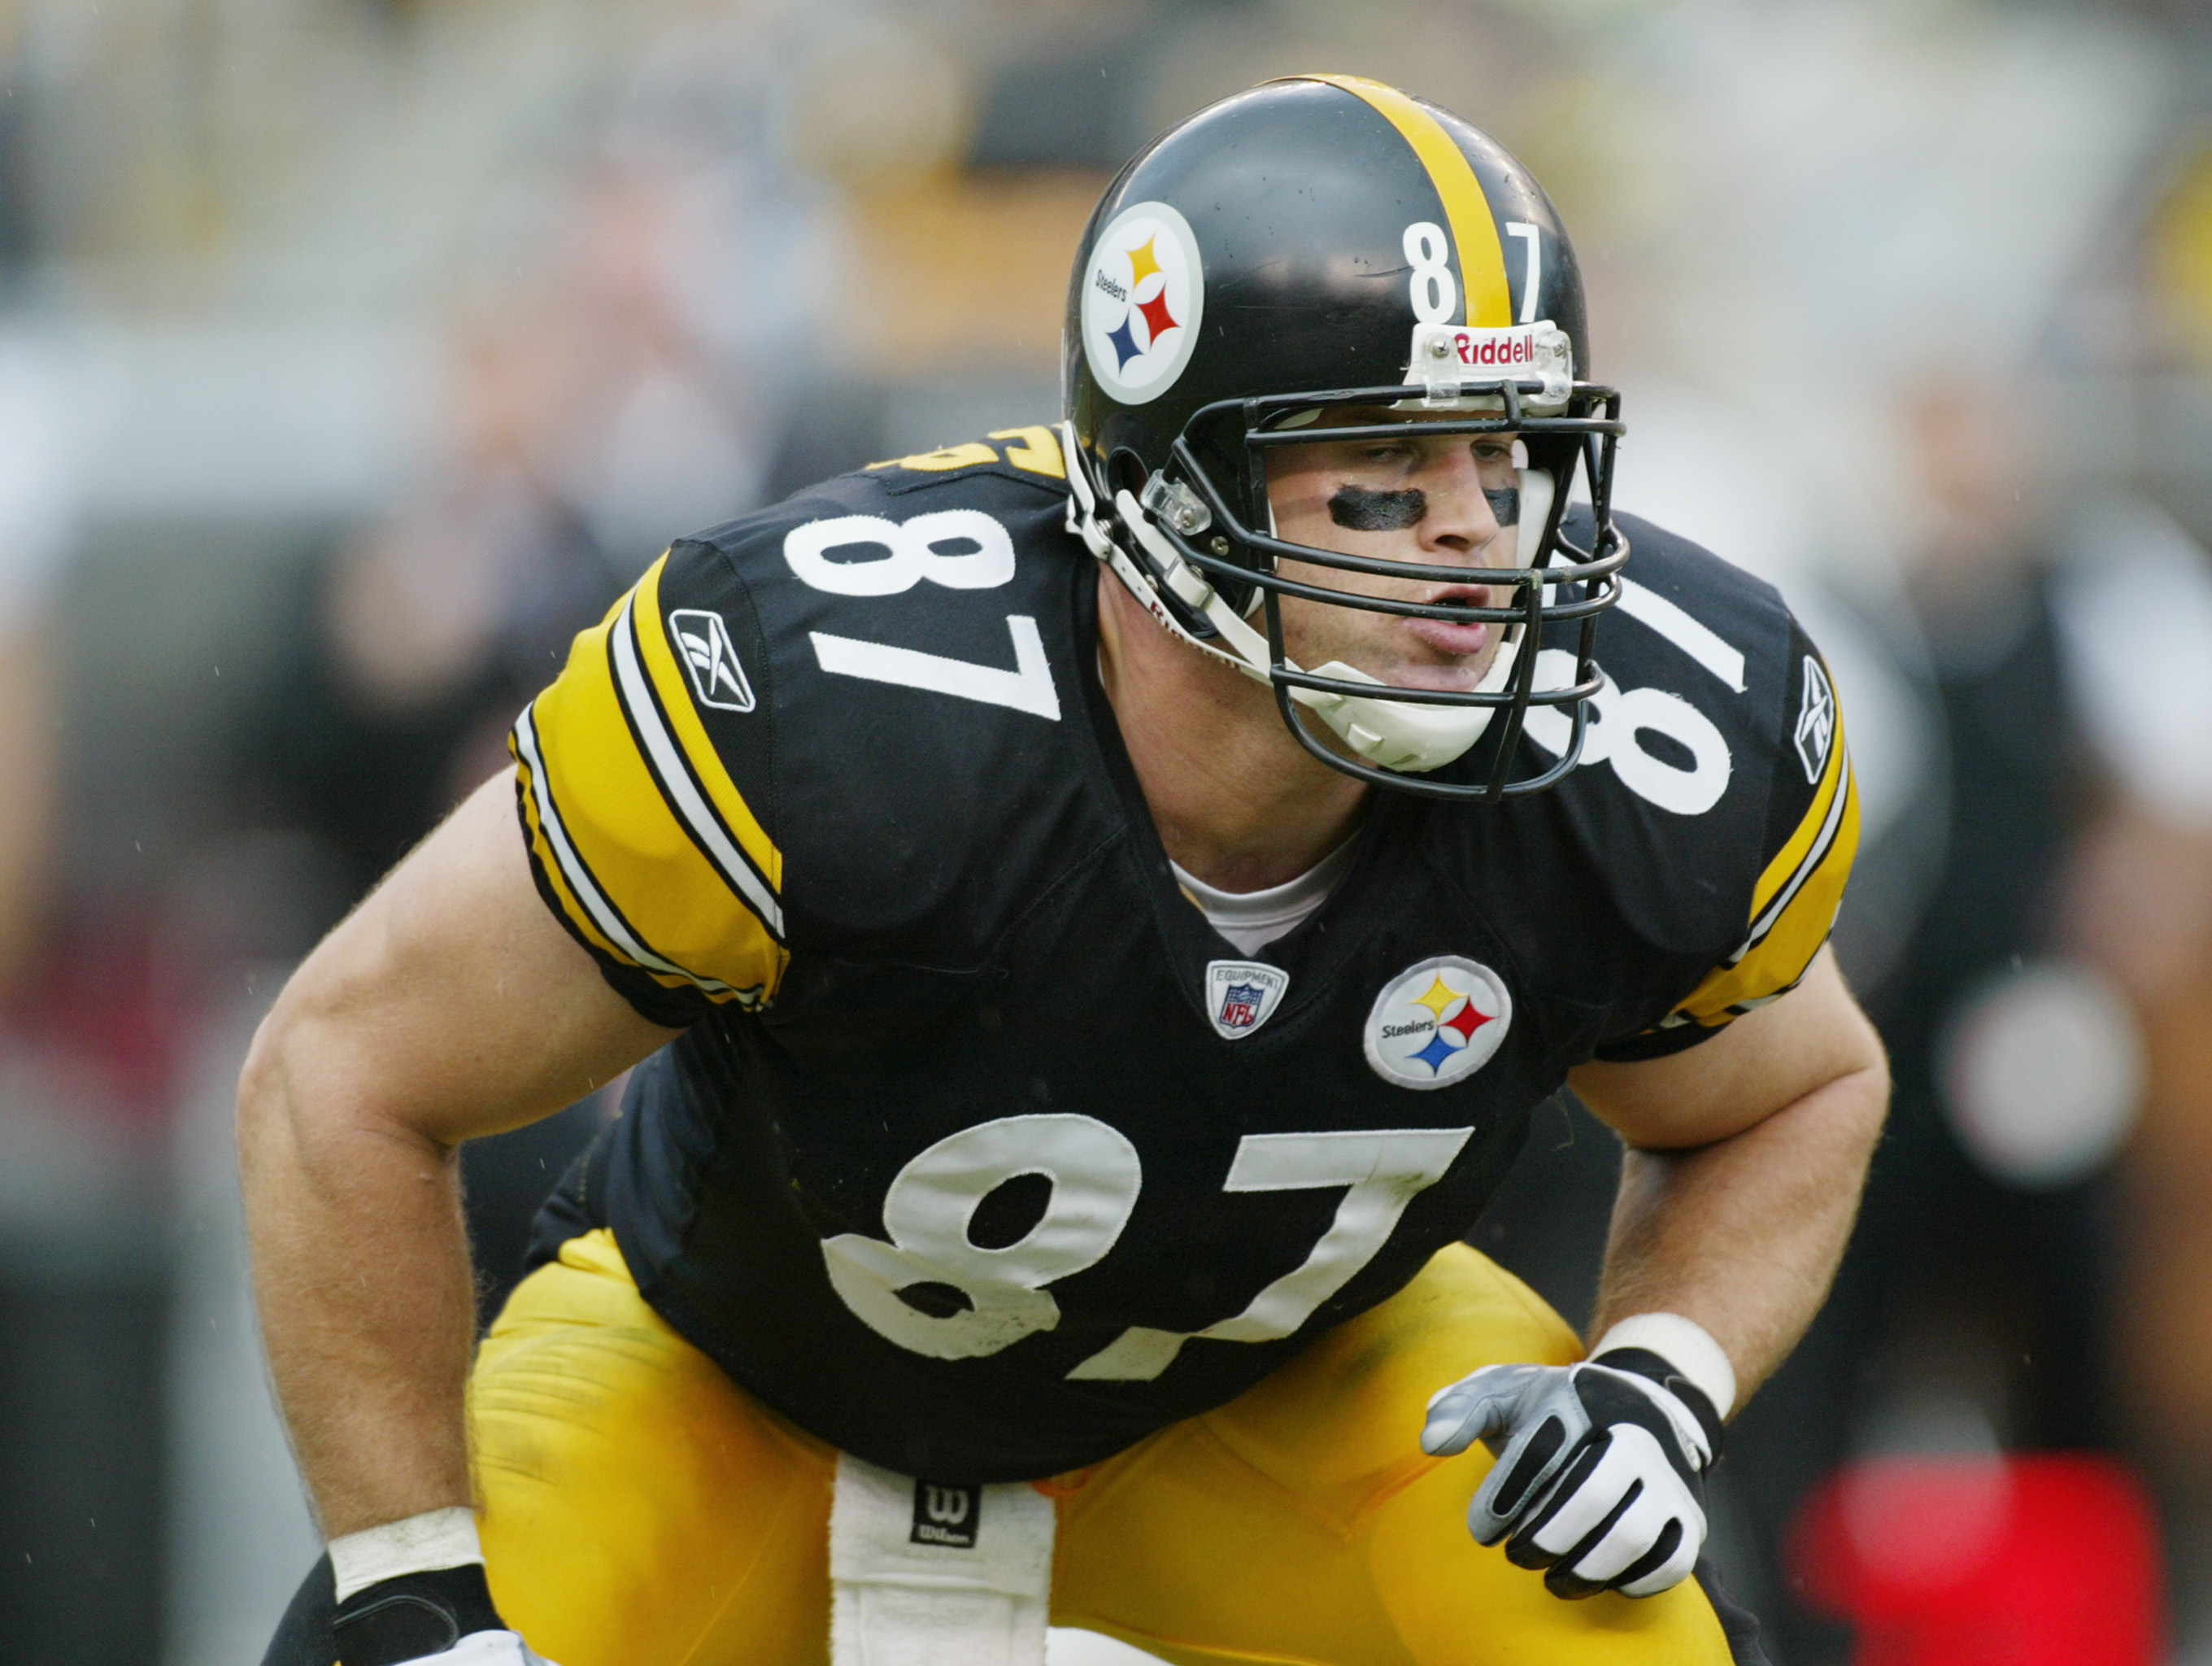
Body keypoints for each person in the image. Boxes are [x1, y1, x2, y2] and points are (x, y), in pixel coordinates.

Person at [240, 76, 1883, 1666]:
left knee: (1625, 1631)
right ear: (1165, 486)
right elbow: (347, 1065)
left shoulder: (1638, 737)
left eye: (1508, 455)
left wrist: (1662, 1374)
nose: (1476, 530)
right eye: (1386, 460)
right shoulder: (842, 704)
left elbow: (1794, 1089)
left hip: (1286, 1395)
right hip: (723, 1384)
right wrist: (405, 1590)